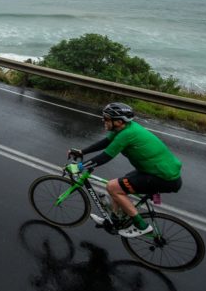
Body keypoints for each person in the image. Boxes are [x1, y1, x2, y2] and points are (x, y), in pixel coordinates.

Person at [68, 102, 182, 238]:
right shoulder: (124, 128)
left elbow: (105, 157)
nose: (103, 120)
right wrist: (82, 152)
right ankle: (114, 221)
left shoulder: (127, 134)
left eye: (107, 118)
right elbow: (106, 142)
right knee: (118, 185)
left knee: (113, 187)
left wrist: (79, 167)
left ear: (119, 121)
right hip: (155, 171)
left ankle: (141, 226)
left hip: (162, 178)